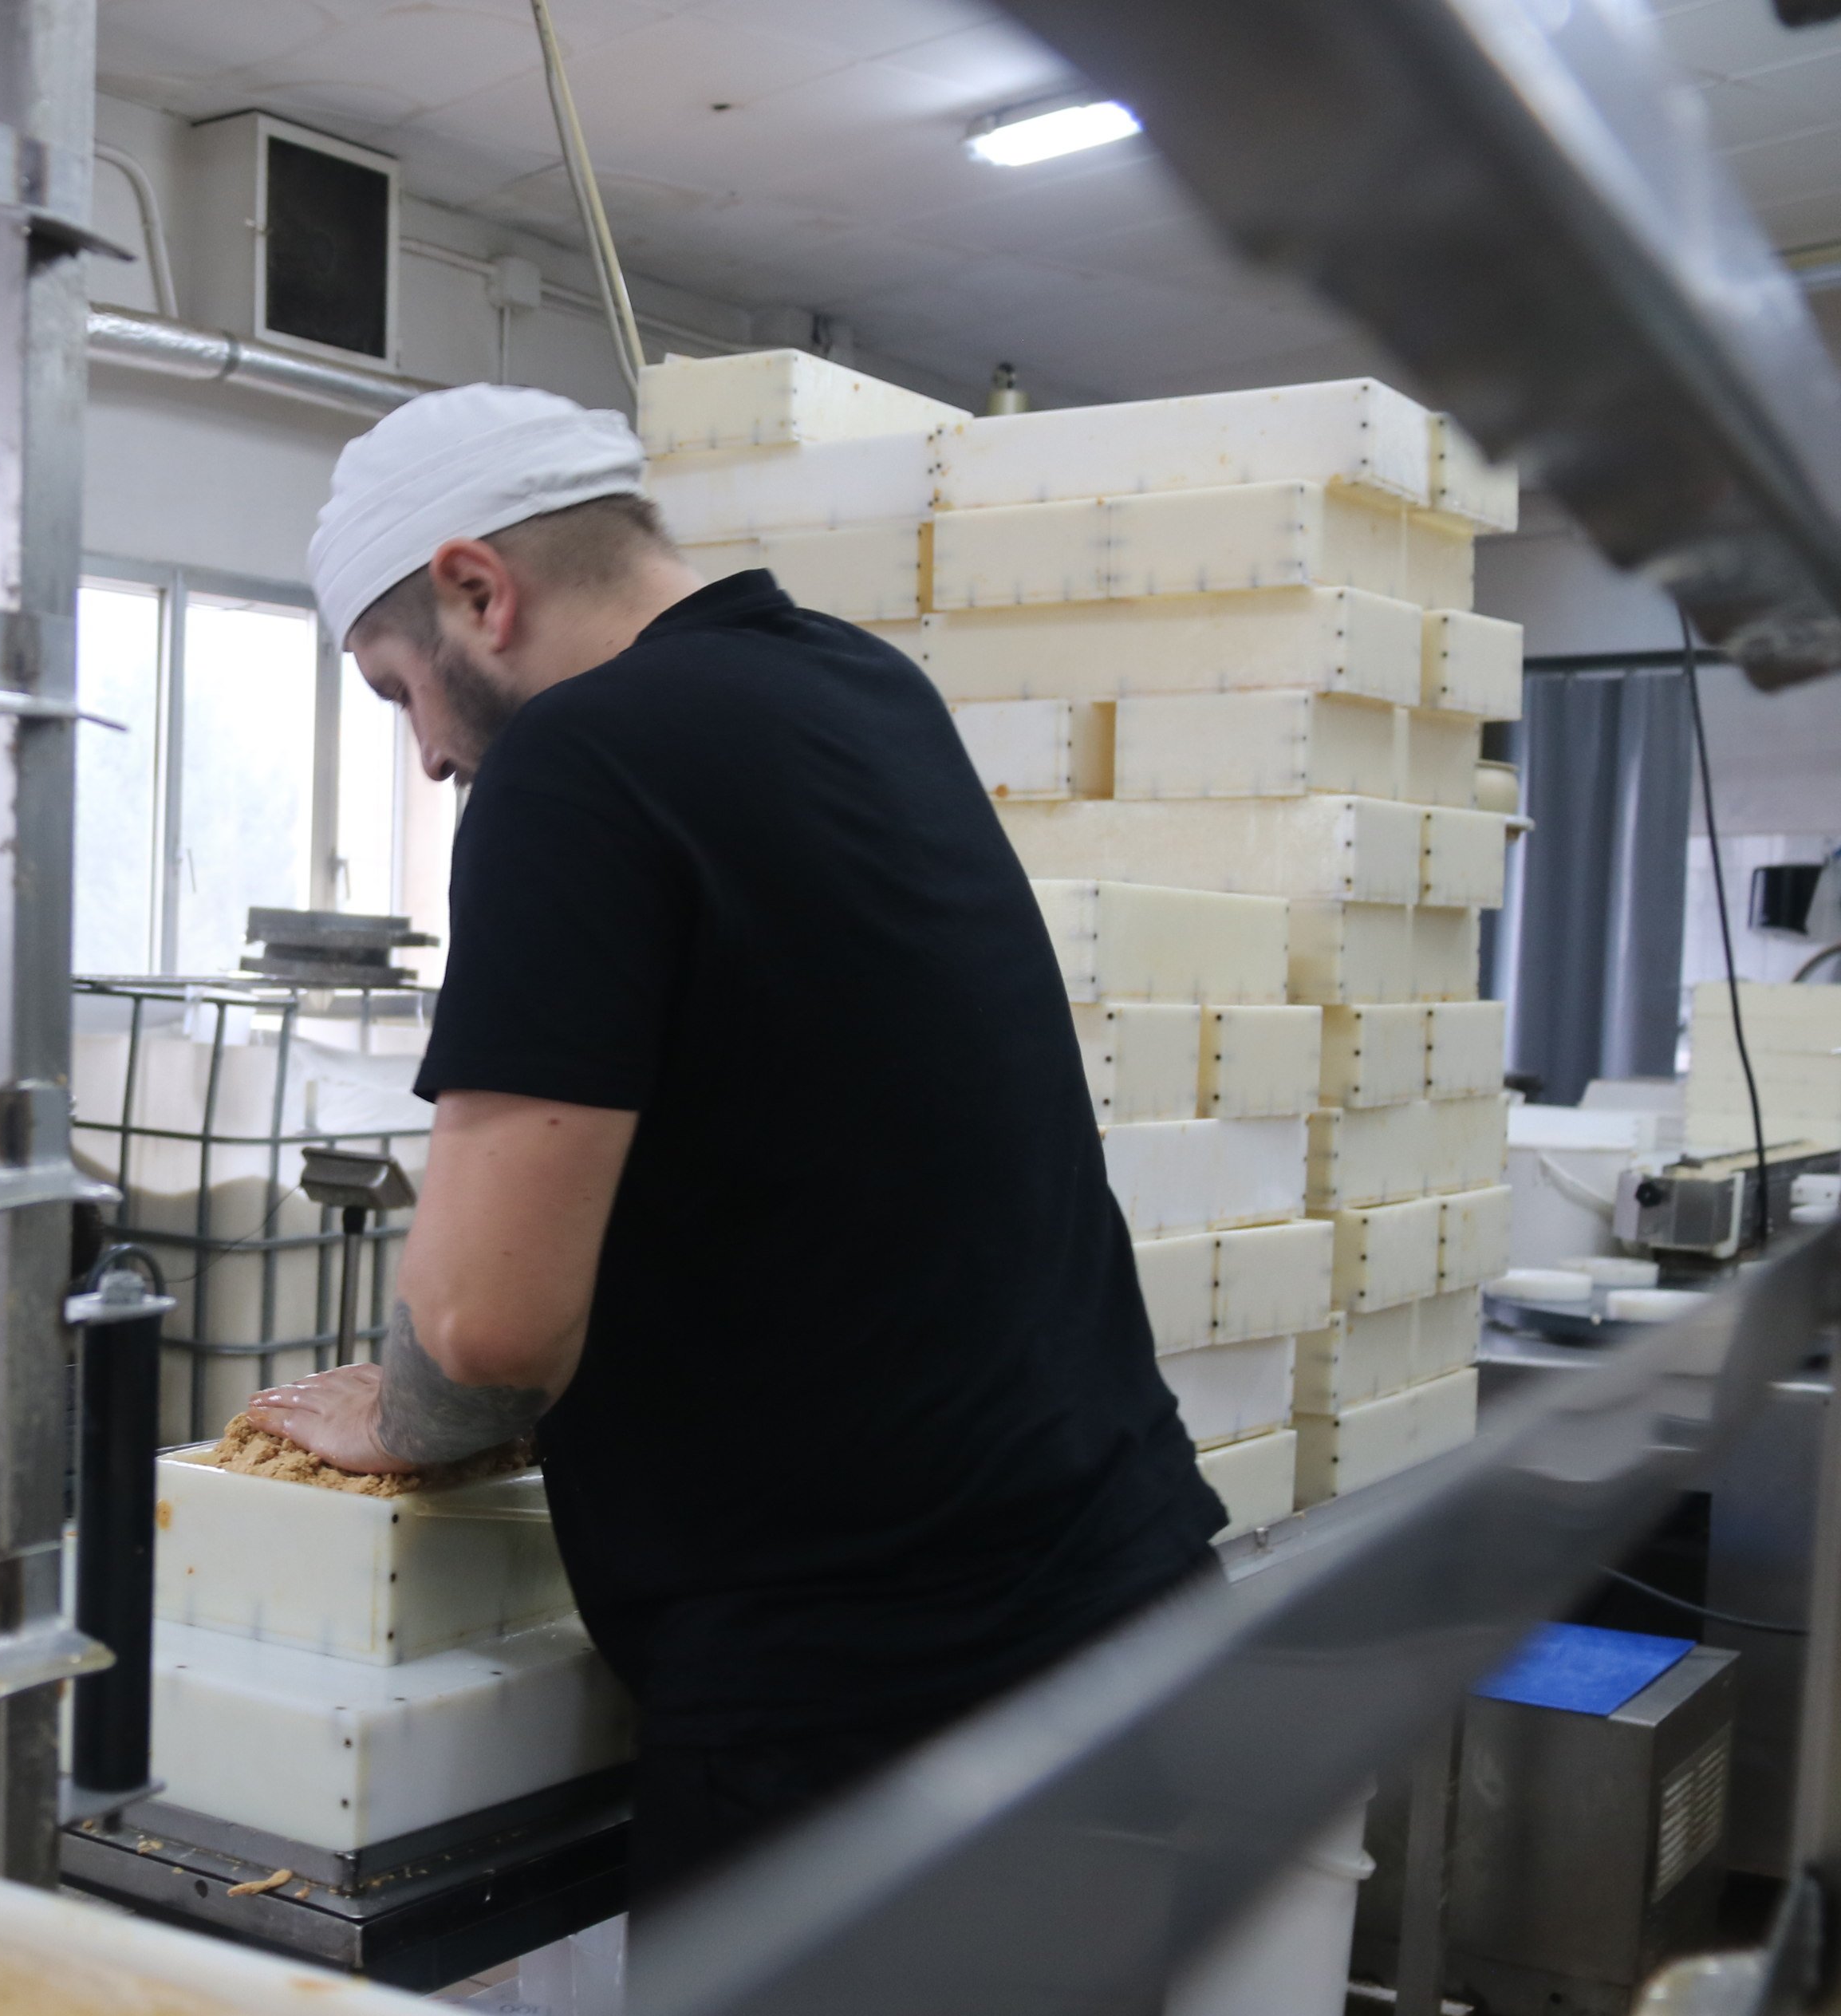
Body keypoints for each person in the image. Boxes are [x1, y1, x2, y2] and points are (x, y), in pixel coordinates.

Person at [249, 384, 1220, 1923]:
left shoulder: (576, 763)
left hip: (873, 1704)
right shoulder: (861, 683)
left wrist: (415, 1408)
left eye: (397, 693)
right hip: (1114, 1588)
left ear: (477, 591)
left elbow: (490, 1326)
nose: (429, 756)